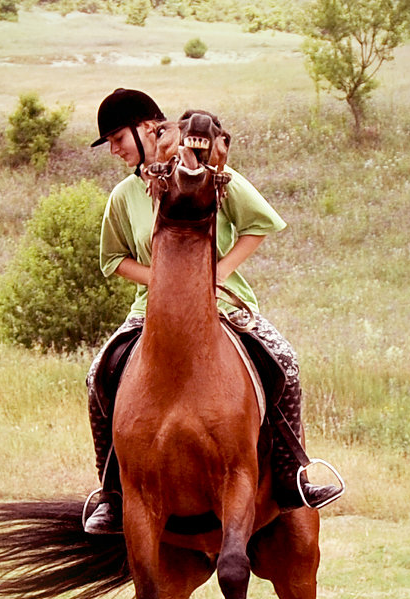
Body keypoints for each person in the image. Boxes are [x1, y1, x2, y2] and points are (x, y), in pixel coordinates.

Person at [84, 88, 342, 535]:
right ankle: (111, 493)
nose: (114, 149)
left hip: (224, 307)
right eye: (109, 141)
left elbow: (261, 224)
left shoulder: (213, 178)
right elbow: (113, 259)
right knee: (96, 376)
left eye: (116, 137)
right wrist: (162, 281)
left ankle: (290, 473)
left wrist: (217, 274)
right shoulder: (124, 197)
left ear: (147, 129)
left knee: (286, 362)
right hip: (152, 313)